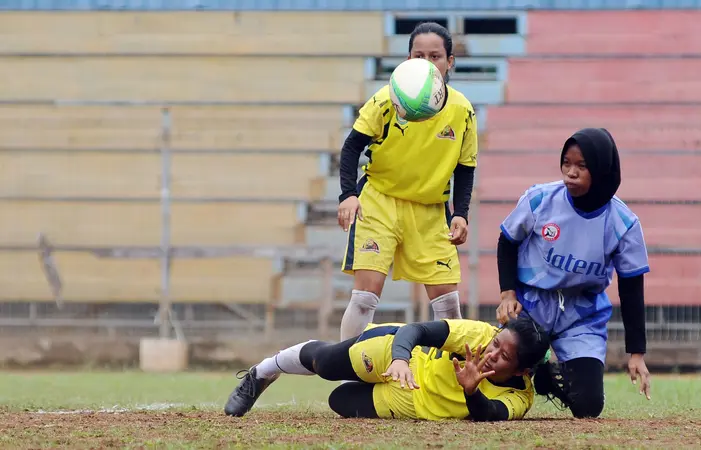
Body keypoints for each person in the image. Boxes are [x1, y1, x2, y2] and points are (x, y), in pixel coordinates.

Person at [495, 127, 652, 419]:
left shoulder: (623, 223)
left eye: (582, 166)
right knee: (496, 374)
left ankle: (546, 375)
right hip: (531, 308)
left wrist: (637, 353)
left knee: (589, 406)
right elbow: (507, 241)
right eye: (566, 163)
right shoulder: (540, 199)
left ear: (603, 169)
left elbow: (631, 288)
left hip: (581, 314)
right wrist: (508, 294)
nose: (571, 173)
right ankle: (528, 366)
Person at [336, 21, 478, 341]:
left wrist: (460, 213)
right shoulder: (386, 100)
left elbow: (465, 167)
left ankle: (452, 380)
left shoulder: (462, 111)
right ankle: (346, 375)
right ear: (407, 60)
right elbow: (351, 148)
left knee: (448, 305)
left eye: (436, 57)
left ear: (449, 62)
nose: (427, 64)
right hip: (379, 202)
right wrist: (348, 194)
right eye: (418, 56)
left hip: (429, 212)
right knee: (364, 298)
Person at [223, 317, 550, 422]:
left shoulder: (520, 397)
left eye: (504, 355)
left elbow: (489, 414)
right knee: (324, 364)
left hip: (412, 403)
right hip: (399, 355)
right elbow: (416, 331)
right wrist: (400, 359)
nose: (492, 353)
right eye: (496, 343)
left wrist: (471, 390)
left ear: (522, 371)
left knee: (339, 401)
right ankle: (263, 372)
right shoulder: (479, 333)